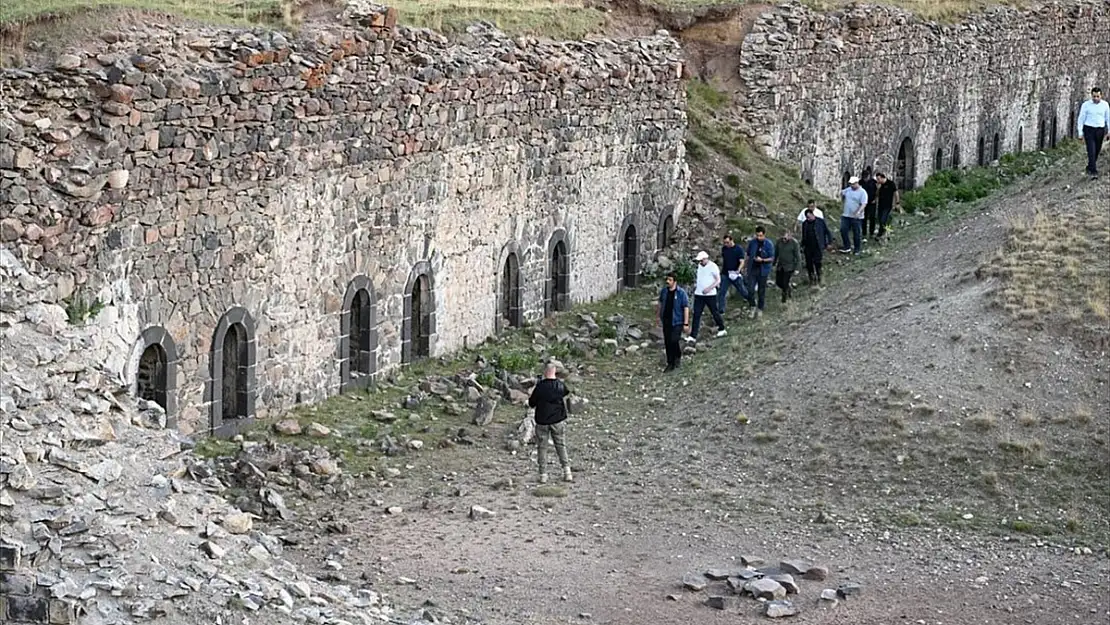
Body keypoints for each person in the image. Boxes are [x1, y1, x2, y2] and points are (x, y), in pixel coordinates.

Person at [528, 362, 572, 484]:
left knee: (542, 448)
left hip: (542, 421)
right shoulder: (560, 386)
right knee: (560, 445)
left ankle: (543, 474)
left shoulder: (540, 387)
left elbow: (531, 403)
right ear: (554, 372)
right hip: (557, 420)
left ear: (545, 372)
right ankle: (567, 471)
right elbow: (566, 392)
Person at [655, 272, 690, 372]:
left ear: (675, 282)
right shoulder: (664, 292)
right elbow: (660, 304)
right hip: (666, 320)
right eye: (667, 279)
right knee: (667, 342)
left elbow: (685, 308)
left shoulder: (681, 293)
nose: (667, 282)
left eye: (670, 280)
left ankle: (677, 356)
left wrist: (686, 323)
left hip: (677, 321)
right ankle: (670, 362)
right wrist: (657, 317)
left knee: (674, 340)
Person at [688, 251, 727, 341]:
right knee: (696, 314)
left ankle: (722, 328)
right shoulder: (699, 267)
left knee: (714, 312)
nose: (700, 262)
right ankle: (693, 336)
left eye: (701, 260)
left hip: (710, 294)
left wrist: (709, 288)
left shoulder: (713, 266)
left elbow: (718, 280)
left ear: (706, 259)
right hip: (699, 294)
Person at [743, 227, 775, 319]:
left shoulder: (768, 244)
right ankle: (752, 306)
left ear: (764, 235)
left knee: (761, 291)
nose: (759, 237)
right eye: (757, 235)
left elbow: (772, 258)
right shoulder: (752, 243)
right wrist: (745, 266)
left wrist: (763, 260)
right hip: (752, 269)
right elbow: (748, 255)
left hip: (763, 269)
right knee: (750, 290)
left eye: (760, 235)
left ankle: (760, 308)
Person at [1078, 87, 1109, 178]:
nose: (1096, 98)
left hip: (1100, 130)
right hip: (1089, 129)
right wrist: (1080, 132)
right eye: (1094, 96)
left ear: (1101, 96)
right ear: (1091, 96)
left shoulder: (1105, 105)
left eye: (1097, 96)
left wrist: (1109, 131)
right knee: (1091, 150)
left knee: (1097, 150)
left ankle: (1089, 167)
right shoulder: (1086, 105)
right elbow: (1081, 119)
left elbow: (1108, 118)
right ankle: (1093, 171)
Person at [717, 235, 750, 313]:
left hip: (735, 274)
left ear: (732, 240)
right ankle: (721, 310)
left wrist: (738, 270)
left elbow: (742, 261)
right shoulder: (724, 249)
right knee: (722, 292)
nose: (726, 244)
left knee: (742, 290)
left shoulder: (738, 249)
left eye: (727, 242)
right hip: (725, 274)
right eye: (724, 243)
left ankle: (751, 301)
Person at [800, 208, 830, 285]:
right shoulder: (805, 224)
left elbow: (827, 232)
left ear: (813, 215)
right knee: (809, 264)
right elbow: (804, 236)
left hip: (818, 245)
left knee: (817, 262)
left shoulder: (820, 221)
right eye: (807, 217)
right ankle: (812, 278)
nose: (809, 219)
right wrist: (802, 245)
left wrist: (827, 242)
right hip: (808, 247)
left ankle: (820, 276)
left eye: (809, 217)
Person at [838, 176, 867, 255]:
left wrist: (858, 212)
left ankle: (857, 249)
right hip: (846, 215)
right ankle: (847, 246)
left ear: (857, 183)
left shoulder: (862, 192)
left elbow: (864, 204)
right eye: (850, 184)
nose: (852, 186)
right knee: (843, 230)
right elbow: (842, 193)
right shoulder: (848, 190)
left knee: (856, 233)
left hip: (856, 217)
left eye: (853, 184)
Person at [774, 229, 802, 304]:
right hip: (780, 265)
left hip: (789, 266)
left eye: (785, 238)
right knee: (778, 282)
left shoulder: (794, 243)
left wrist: (797, 268)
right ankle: (788, 289)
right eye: (783, 238)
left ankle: (784, 301)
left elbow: (798, 257)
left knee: (785, 282)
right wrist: (773, 263)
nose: (784, 239)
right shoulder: (779, 242)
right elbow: (776, 253)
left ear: (789, 236)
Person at [874, 172, 899, 241]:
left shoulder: (891, 184)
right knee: (880, 220)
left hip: (888, 205)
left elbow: (896, 193)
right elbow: (877, 194)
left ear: (882, 178)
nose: (878, 181)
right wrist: (878, 188)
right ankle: (881, 232)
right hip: (880, 205)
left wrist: (897, 203)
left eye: (878, 179)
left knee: (883, 219)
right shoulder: (880, 186)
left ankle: (884, 233)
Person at [860, 167, 879, 239]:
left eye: (866, 177)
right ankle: (864, 232)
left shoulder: (873, 182)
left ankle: (871, 232)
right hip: (863, 203)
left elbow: (877, 191)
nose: (865, 179)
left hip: (872, 202)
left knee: (872, 218)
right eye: (864, 177)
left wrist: (875, 199)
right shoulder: (860, 182)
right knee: (863, 217)